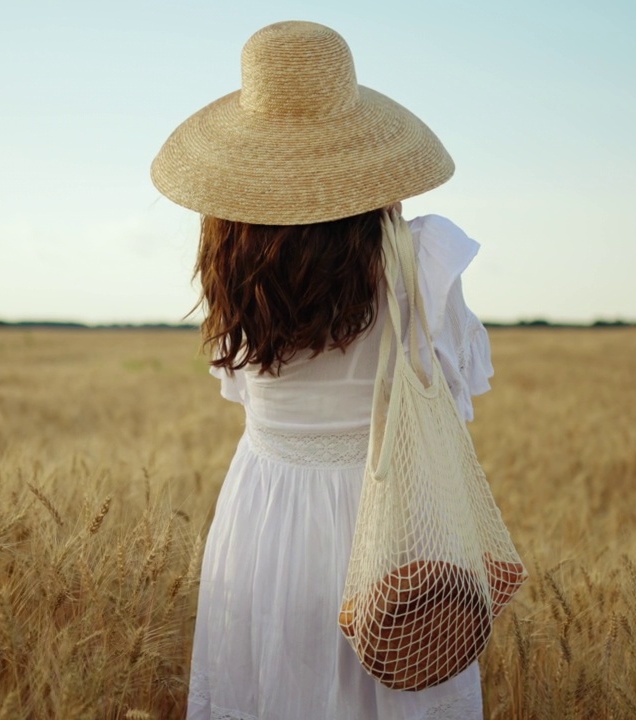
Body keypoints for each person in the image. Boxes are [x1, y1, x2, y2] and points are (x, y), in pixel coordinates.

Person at [151, 20, 494, 720]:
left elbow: (242, 388)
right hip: (395, 529)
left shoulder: (233, 271)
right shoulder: (422, 262)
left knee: (270, 692)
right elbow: (453, 403)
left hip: (263, 523)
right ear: (365, 155)